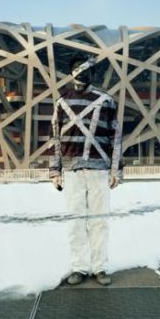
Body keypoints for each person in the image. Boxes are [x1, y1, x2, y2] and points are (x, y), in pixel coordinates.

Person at [49, 55, 123, 286]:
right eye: (77, 71)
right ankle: (79, 268)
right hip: (72, 172)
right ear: (71, 73)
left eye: (86, 71)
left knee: (100, 221)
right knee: (75, 221)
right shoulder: (62, 102)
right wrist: (55, 171)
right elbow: (55, 138)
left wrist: (115, 170)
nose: (82, 75)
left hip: (99, 171)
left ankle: (100, 267)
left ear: (93, 74)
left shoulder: (106, 101)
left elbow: (115, 138)